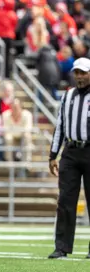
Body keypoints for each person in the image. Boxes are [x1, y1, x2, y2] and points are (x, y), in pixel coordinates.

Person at [48, 57, 90, 259]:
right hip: (71, 152)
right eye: (77, 73)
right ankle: (62, 247)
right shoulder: (68, 96)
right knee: (65, 200)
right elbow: (60, 127)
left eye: (83, 73)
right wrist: (52, 155)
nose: (80, 77)